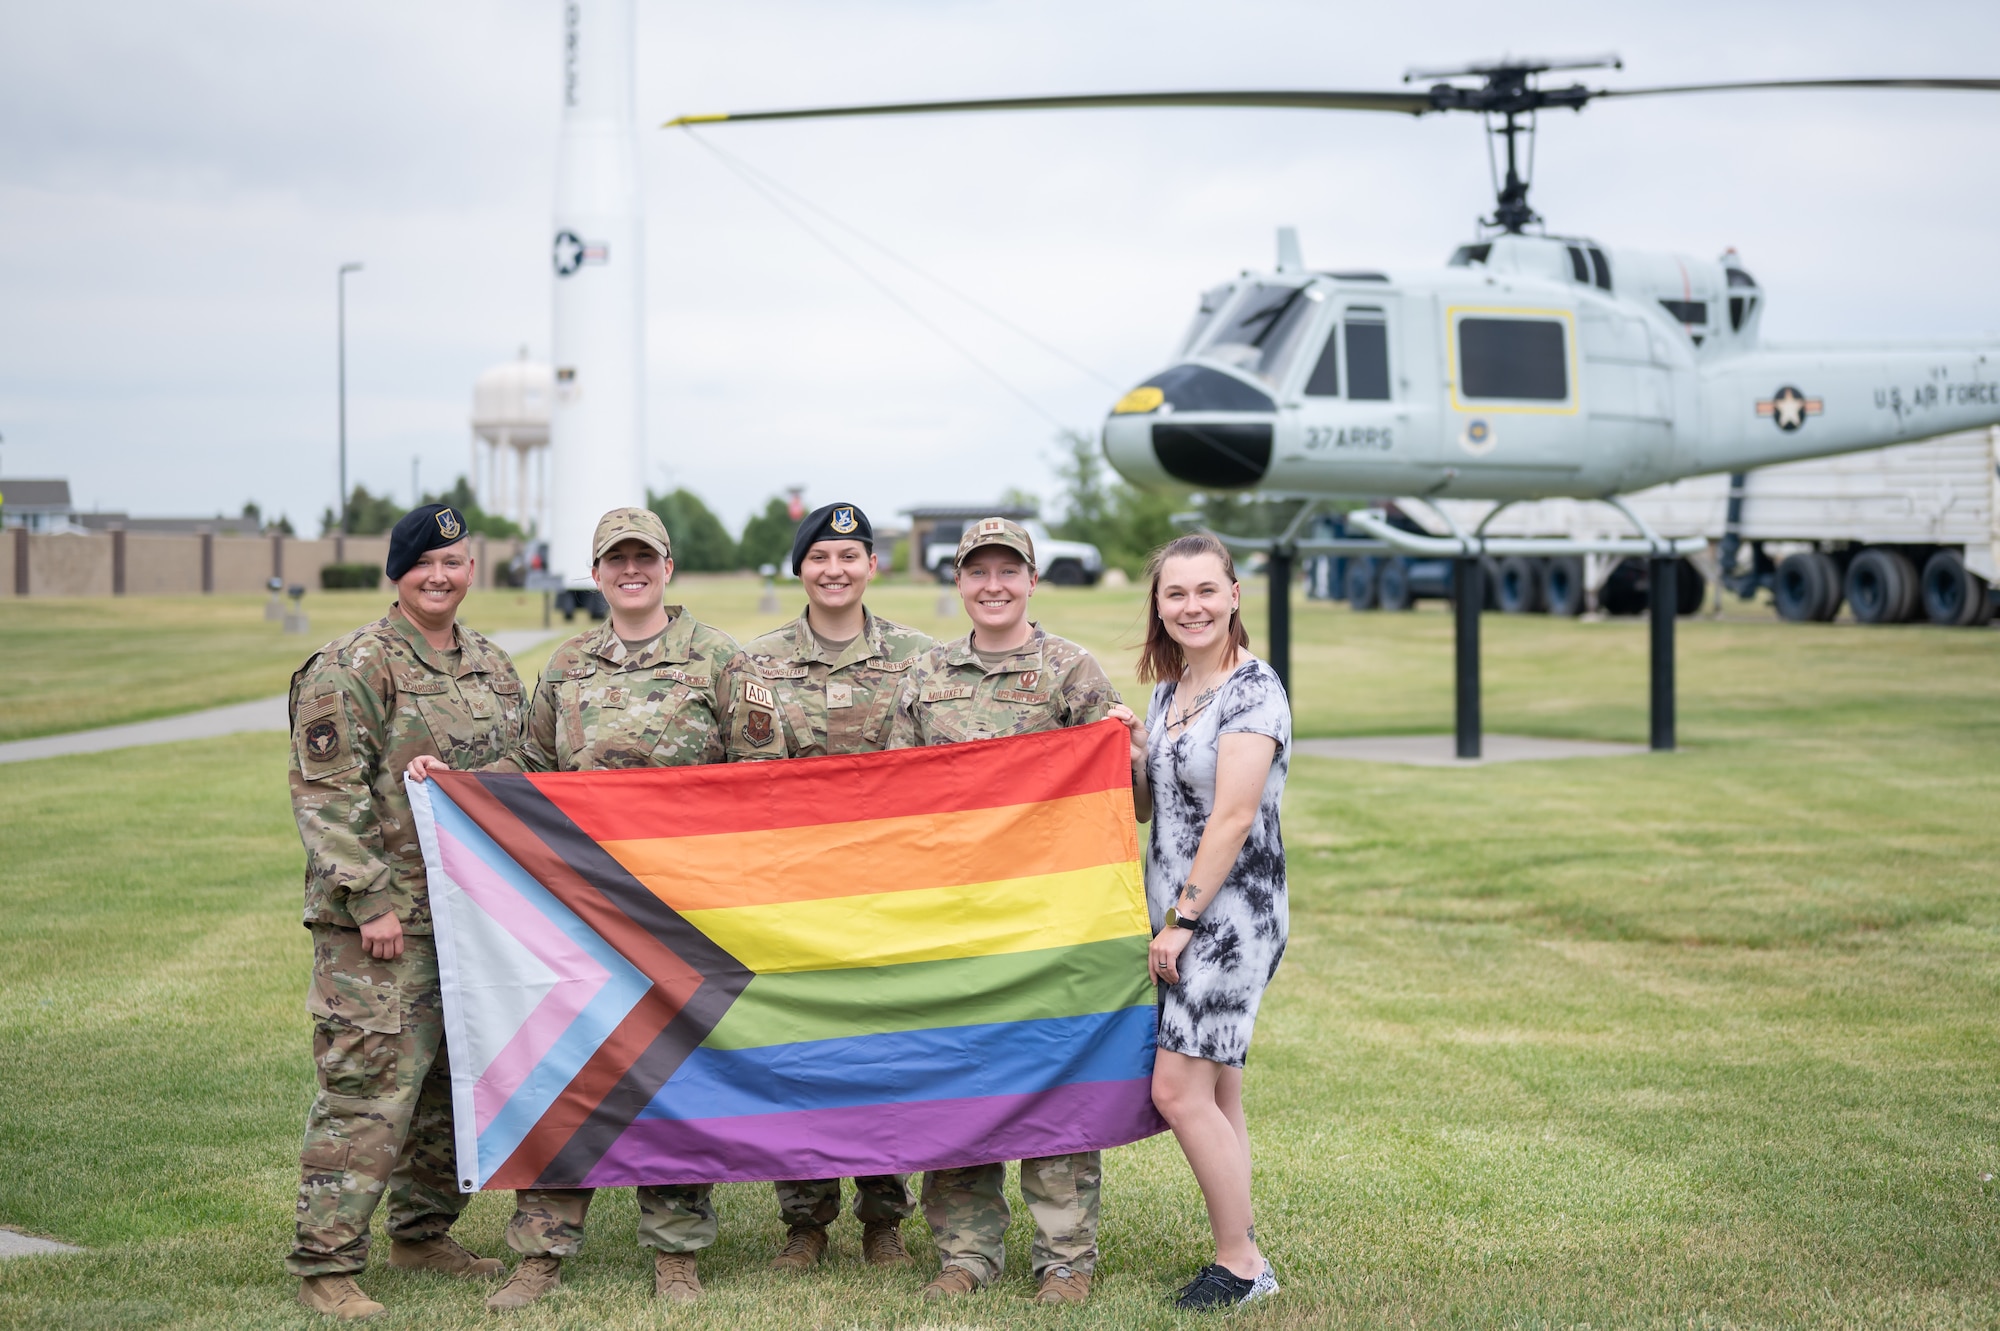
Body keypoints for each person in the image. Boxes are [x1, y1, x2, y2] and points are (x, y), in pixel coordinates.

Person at [410, 507, 741, 1310]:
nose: (631, 570)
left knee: (670, 1078)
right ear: (596, 574)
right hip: (578, 910)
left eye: (645, 557)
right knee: (567, 1074)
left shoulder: (718, 661)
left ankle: (676, 1253)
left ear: (668, 567)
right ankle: (541, 1252)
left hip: (679, 909)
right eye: (615, 559)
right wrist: (457, 786)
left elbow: (755, 775)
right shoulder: (568, 666)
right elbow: (532, 761)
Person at [884, 515, 1141, 1305]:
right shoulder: (923, 676)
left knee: (1056, 1083)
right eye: (977, 571)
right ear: (958, 582)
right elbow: (891, 801)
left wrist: (1122, 747)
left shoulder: (1070, 670)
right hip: (955, 921)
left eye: (1008, 570)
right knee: (961, 1083)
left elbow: (1127, 790)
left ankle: (1065, 1257)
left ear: (1032, 579)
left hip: (1049, 922)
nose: (992, 585)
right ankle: (965, 1253)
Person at [285, 504, 524, 1320]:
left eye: (454, 561)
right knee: (369, 1088)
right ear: (398, 570)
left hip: (468, 922)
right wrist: (372, 901)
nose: (440, 575)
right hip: (380, 929)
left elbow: (516, 768)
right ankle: (326, 1262)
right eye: (424, 561)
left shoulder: (492, 666)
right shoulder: (353, 662)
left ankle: (421, 1233)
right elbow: (328, 795)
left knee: (453, 1090)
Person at [725, 502, 934, 1273]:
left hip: (889, 892)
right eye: (820, 557)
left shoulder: (922, 656)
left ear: (872, 565)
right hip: (795, 890)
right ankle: (804, 1221)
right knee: (803, 1048)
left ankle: (885, 1216)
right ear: (800, 568)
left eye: (850, 555)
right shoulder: (755, 663)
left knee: (884, 1050)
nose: (835, 569)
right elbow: (735, 774)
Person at [1129, 533, 1288, 1311]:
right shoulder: (1170, 691)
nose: (1191, 606)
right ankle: (1243, 1245)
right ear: (1158, 606)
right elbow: (1150, 808)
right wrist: (1127, 749)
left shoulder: (1252, 690)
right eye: (1175, 593)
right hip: (1179, 910)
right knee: (1217, 1090)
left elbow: (1230, 816)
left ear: (1233, 595)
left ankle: (1242, 1262)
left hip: (1228, 917)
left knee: (1177, 1090)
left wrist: (1183, 920)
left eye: (1205, 590)